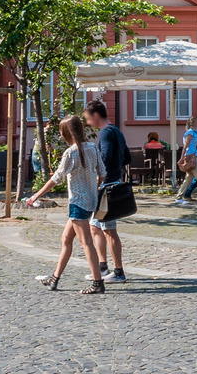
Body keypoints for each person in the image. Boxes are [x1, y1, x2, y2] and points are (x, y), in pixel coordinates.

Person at [26, 115, 106, 294]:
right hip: (90, 201)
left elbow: (56, 178)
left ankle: (97, 283)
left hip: (78, 202)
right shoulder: (92, 147)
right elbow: (102, 172)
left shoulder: (71, 153)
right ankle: (54, 278)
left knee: (86, 243)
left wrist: (36, 195)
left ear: (65, 134)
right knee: (66, 239)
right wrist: (94, 186)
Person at [85, 101, 129, 284]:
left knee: (109, 230)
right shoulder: (116, 131)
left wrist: (98, 178)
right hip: (113, 182)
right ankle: (102, 268)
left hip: (106, 187)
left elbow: (104, 157)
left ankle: (119, 272)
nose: (88, 123)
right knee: (95, 227)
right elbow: (127, 157)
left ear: (96, 115)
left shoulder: (104, 133)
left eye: (88, 119)